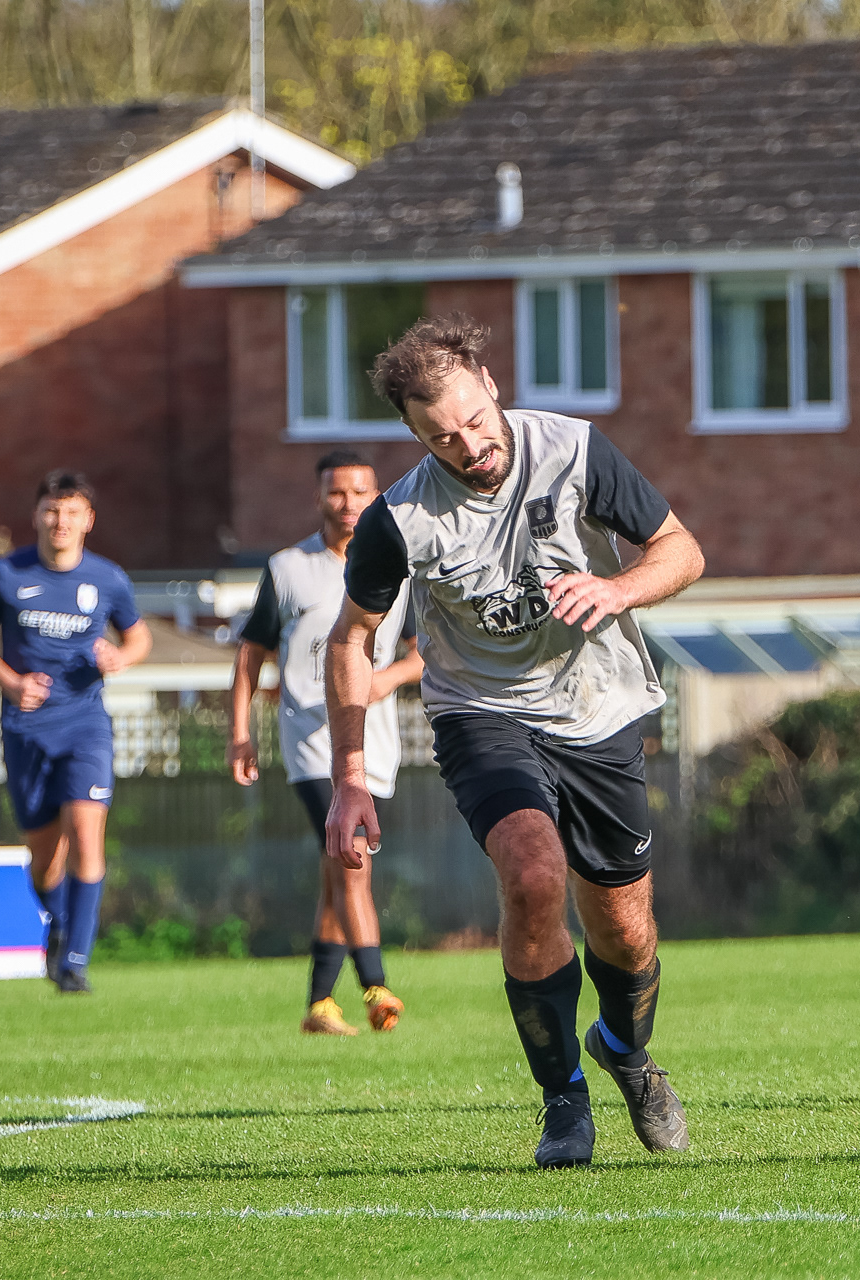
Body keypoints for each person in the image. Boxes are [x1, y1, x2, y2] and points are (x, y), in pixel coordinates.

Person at [323, 314, 705, 1169]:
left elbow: (680, 550)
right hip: (482, 714)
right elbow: (350, 638)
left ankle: (626, 1052)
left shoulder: (574, 449)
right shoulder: (400, 517)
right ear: (416, 437)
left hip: (599, 708)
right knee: (532, 877)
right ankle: (564, 1098)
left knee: (627, 930)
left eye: (474, 421)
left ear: (491, 385)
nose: (469, 447)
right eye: (442, 439)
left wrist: (618, 589)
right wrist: (351, 774)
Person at [228, 450, 424, 1036]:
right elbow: (250, 656)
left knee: (336, 868)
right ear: (318, 498)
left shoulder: (396, 565)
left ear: (377, 496)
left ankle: (320, 1005)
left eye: (360, 492)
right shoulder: (289, 568)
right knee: (352, 858)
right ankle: (376, 985)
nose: (348, 504)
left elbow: (423, 654)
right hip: (311, 741)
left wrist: (385, 679)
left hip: (374, 742)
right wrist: (241, 734)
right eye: (336, 492)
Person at [0, 471, 151, 993]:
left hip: (85, 725)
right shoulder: (5, 573)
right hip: (24, 729)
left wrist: (120, 657)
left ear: (89, 520)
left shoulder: (108, 579)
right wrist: (12, 682)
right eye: (51, 510)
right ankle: (60, 925)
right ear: (37, 515)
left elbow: (139, 638)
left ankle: (75, 964)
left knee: (87, 835)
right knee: (45, 861)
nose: (60, 521)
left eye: (71, 511)